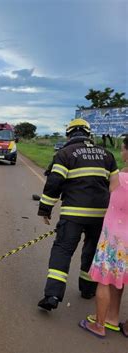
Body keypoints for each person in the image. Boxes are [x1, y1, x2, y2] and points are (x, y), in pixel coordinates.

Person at [37, 118, 118, 311]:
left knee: (63, 251)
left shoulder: (64, 154)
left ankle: (53, 296)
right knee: (91, 251)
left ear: (69, 135)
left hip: (73, 213)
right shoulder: (107, 155)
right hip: (101, 215)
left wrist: (45, 209)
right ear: (88, 134)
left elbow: (54, 182)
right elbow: (115, 186)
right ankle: (88, 289)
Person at [79, 136, 128, 338]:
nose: (121, 152)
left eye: (124, 149)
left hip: (114, 238)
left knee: (105, 280)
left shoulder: (118, 179)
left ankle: (99, 325)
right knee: (120, 279)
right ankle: (113, 318)